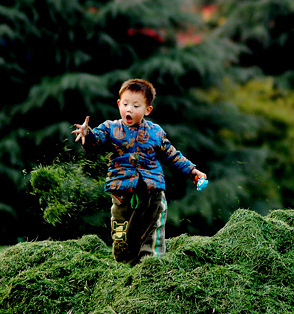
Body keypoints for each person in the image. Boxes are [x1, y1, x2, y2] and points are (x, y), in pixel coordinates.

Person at [72, 78, 206, 265]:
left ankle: (152, 265)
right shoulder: (111, 128)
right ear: (119, 104)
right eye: (125, 104)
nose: (129, 109)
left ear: (147, 110)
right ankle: (125, 266)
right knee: (122, 235)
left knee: (153, 228)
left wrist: (192, 171)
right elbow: (98, 140)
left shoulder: (156, 132)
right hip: (122, 191)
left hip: (152, 191)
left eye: (136, 105)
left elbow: (172, 155)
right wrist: (88, 134)